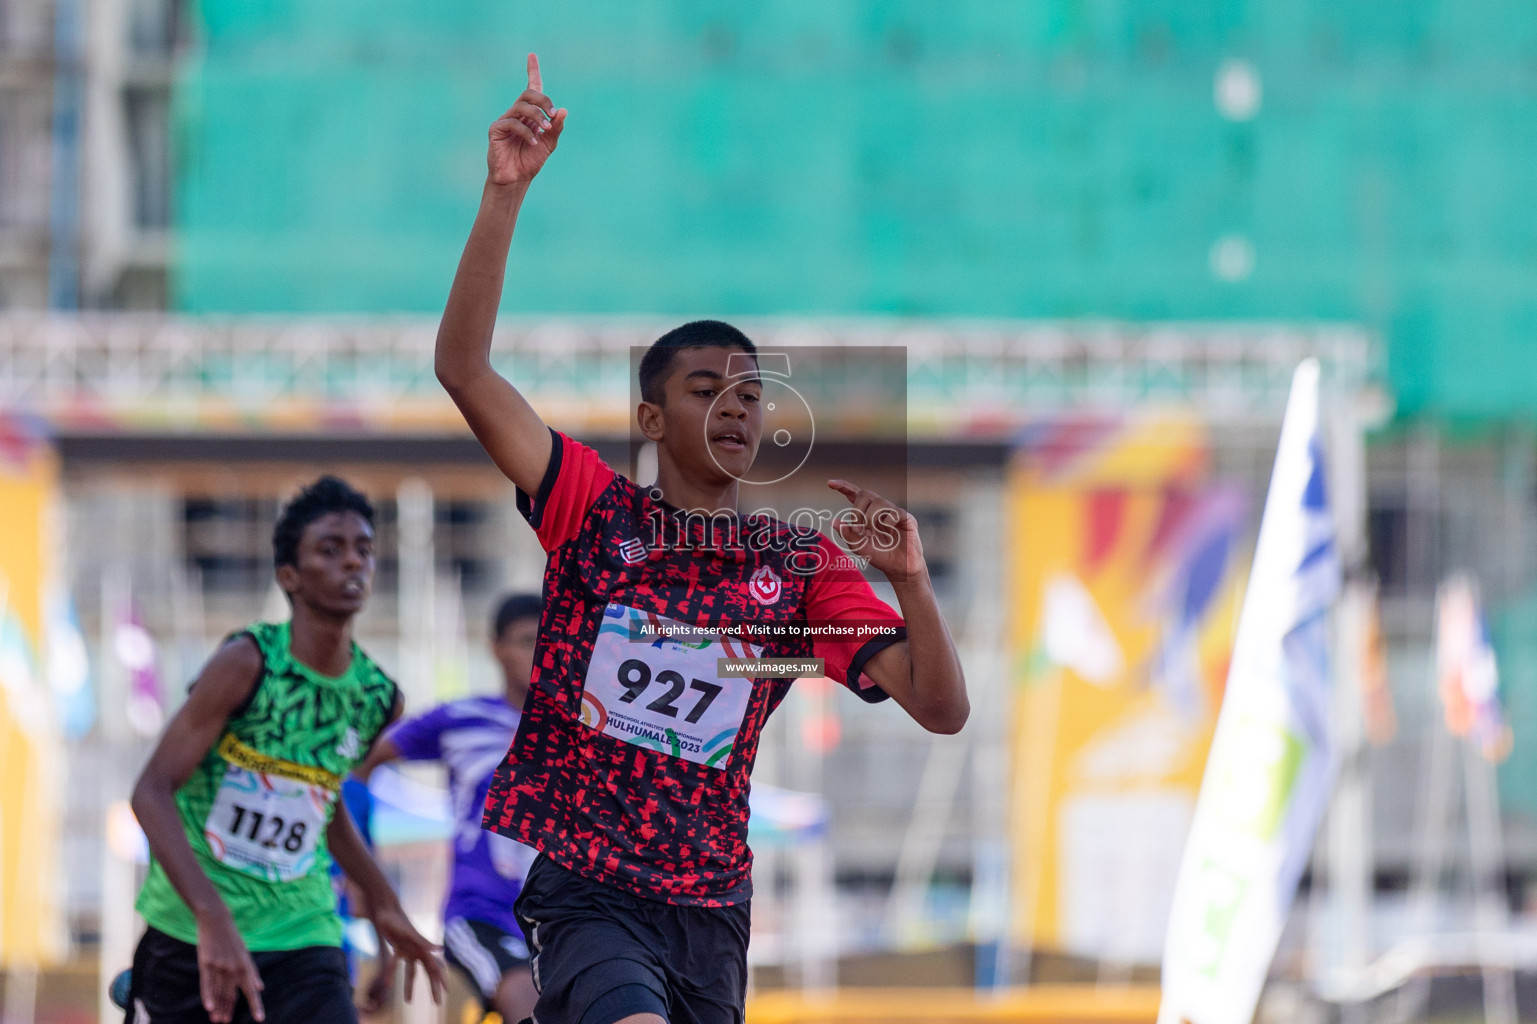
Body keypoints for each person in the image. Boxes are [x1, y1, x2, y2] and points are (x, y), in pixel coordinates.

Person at [433, 54, 969, 1024]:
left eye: (751, 393)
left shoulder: (798, 563)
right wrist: (503, 194)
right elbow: (464, 370)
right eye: (703, 388)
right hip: (587, 889)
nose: (734, 407)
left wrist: (915, 583)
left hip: (712, 908)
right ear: (648, 419)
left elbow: (940, 707)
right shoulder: (593, 511)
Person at [127, 476, 445, 1024]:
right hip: (193, 933)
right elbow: (150, 793)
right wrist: (212, 916)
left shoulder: (378, 697)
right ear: (290, 576)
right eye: (331, 550)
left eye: (364, 550)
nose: (354, 564)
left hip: (304, 931)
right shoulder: (246, 663)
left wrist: (383, 904)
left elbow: (322, 800)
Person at [353, 593, 542, 1022]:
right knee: (529, 1007)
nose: (540, 653)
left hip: (563, 917)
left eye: (547, 640)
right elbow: (360, 766)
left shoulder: (580, 728)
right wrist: (358, 861)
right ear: (495, 648)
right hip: (482, 913)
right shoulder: (461, 719)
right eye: (526, 640)